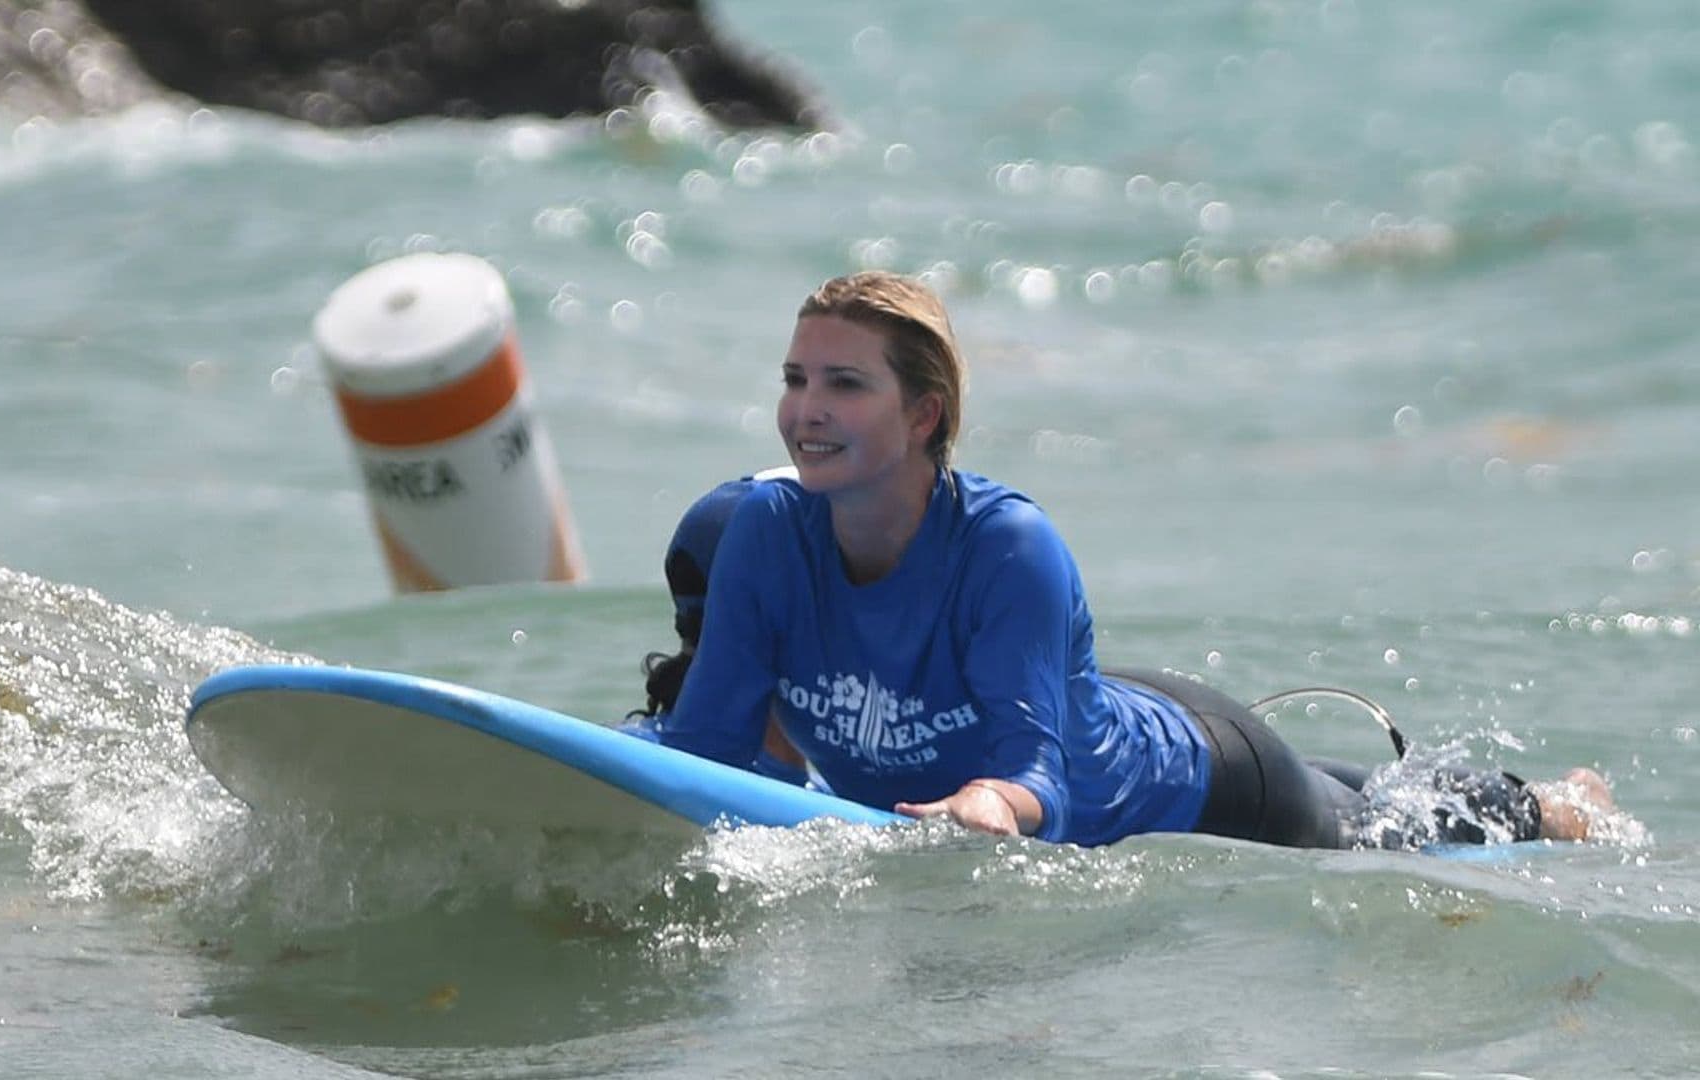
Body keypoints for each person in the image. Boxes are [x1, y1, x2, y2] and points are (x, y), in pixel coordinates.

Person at [638, 270, 1617, 849]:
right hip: (1095, 709)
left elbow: (1040, 780)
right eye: (796, 378)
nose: (806, 408)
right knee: (1364, 789)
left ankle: (1550, 806)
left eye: (844, 384)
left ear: (924, 413)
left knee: (1374, 834)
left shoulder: (1005, 547)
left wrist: (991, 803)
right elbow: (713, 747)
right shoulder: (769, 532)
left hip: (1211, 782)